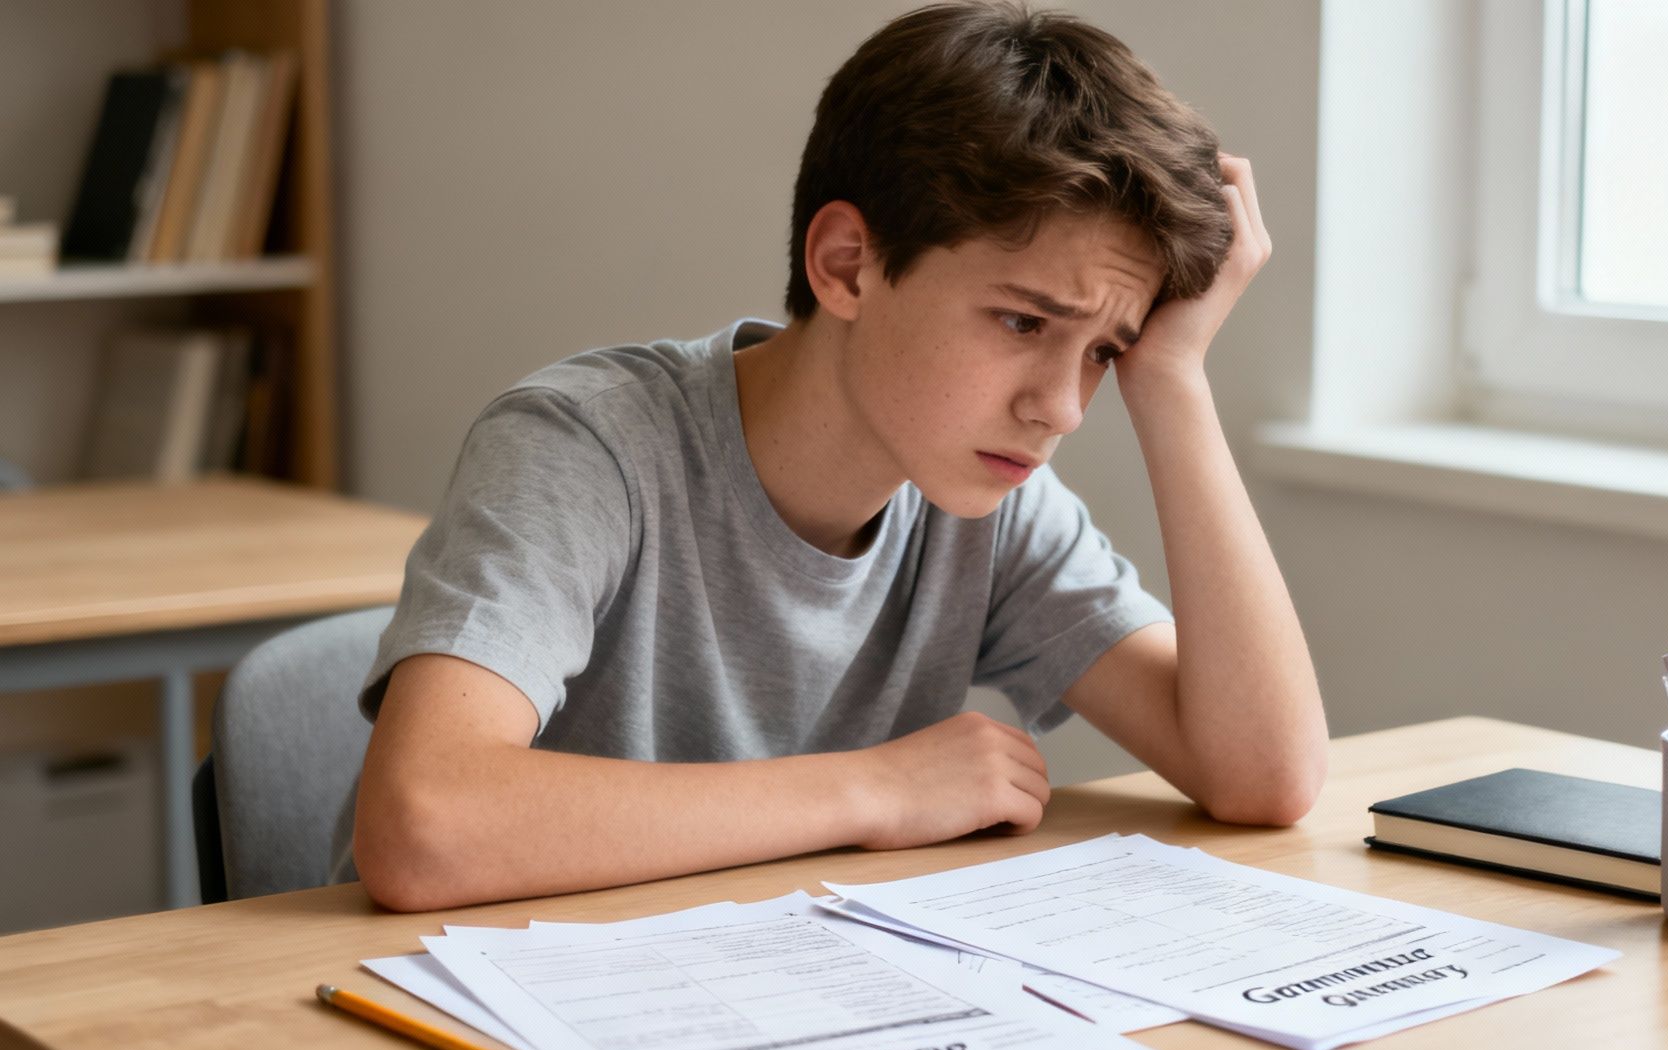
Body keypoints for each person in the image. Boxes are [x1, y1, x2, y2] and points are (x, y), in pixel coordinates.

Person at [349, 1, 1326, 912]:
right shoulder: (585, 447)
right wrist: (874, 789)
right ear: (845, 266)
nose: (1061, 408)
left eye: (1102, 353)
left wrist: (1172, 379)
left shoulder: (990, 499)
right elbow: (425, 824)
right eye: (1023, 320)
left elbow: (1264, 777)